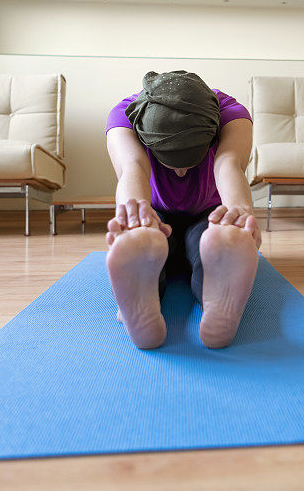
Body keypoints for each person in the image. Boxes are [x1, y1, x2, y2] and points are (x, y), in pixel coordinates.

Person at [104, 70, 260, 350]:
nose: (179, 172)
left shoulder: (231, 113)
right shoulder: (123, 115)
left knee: (208, 245)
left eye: (190, 162)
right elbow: (132, 167)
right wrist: (134, 214)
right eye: (169, 162)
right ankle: (137, 299)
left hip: (209, 213)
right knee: (148, 239)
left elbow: (229, 162)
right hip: (155, 212)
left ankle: (220, 302)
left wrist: (239, 211)